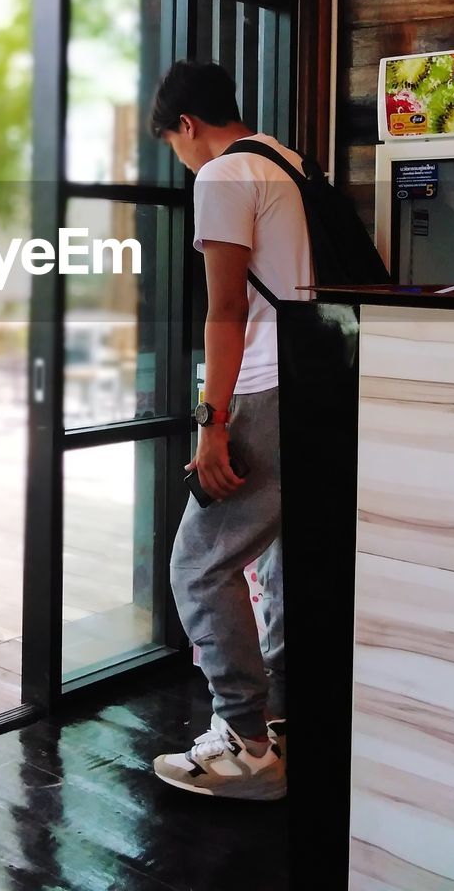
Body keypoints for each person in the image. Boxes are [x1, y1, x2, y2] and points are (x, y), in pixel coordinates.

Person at [148, 59, 312, 801]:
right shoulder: (289, 162)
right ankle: (278, 720)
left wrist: (211, 422)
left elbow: (227, 310)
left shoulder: (219, 176)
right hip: (319, 385)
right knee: (276, 562)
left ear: (187, 125)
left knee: (198, 565)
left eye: (174, 143)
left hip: (265, 392)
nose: (180, 159)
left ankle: (245, 744)